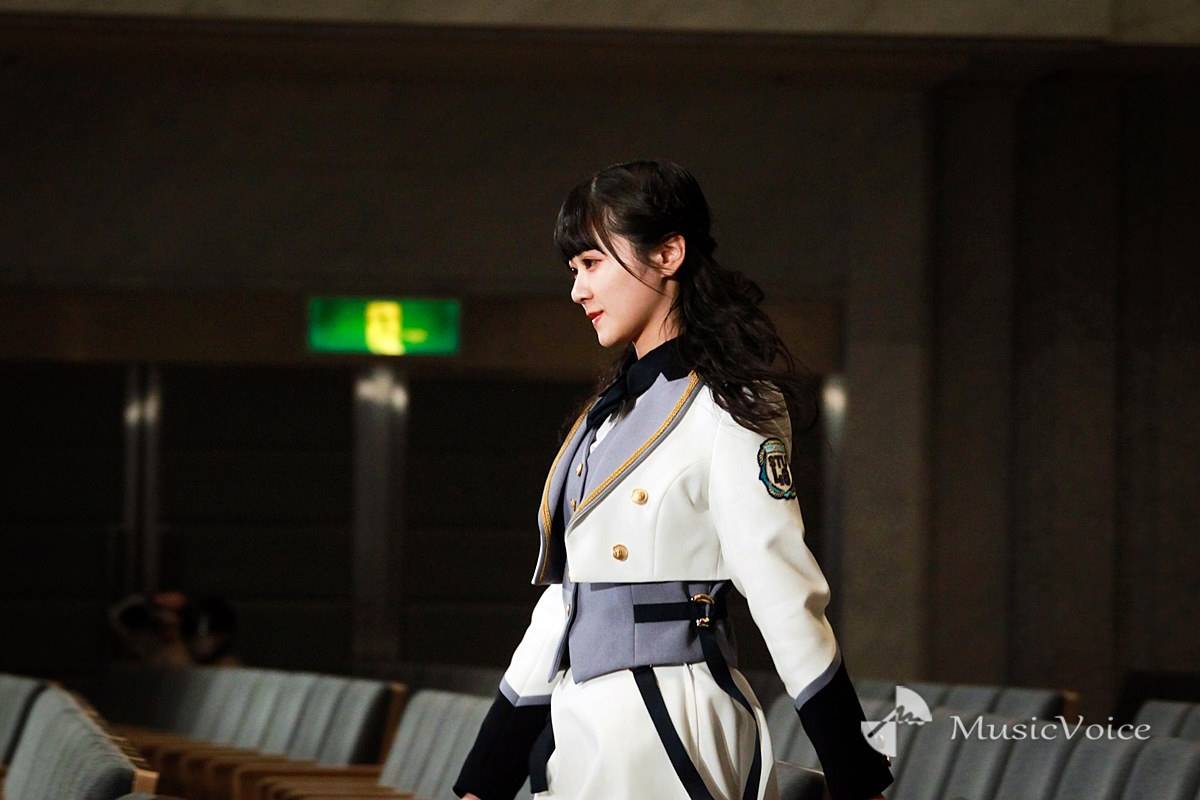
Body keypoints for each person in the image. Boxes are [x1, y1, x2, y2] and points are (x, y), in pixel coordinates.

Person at [454, 160, 892, 800]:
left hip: (671, 723)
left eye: (591, 263)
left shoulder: (732, 407)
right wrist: (487, 776)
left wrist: (855, 772)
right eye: (573, 269)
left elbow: (782, 592)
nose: (577, 290)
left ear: (668, 254)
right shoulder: (605, 419)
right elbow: (567, 604)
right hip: (583, 726)